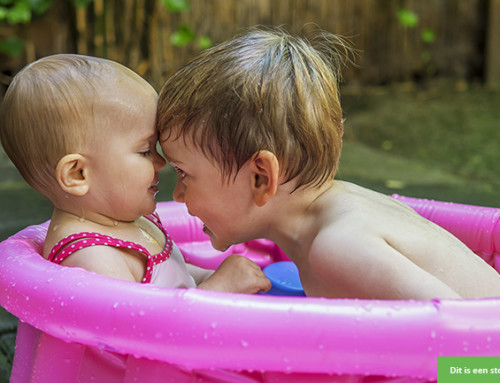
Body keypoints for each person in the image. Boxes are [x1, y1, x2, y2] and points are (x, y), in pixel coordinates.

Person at [157, 26, 500, 300]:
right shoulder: (335, 210)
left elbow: (472, 344)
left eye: (184, 174)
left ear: (261, 177)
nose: (179, 195)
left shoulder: (338, 248)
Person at [0, 53, 271, 294]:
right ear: (78, 174)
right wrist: (219, 287)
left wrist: (213, 278)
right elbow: (141, 328)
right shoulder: (93, 256)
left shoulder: (127, 219)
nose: (160, 163)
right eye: (145, 151)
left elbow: (177, 276)